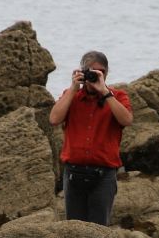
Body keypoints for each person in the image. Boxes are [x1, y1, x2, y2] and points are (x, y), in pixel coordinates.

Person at [48, 51, 133, 225]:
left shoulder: (117, 97)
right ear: (82, 72)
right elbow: (54, 119)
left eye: (99, 71)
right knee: (74, 229)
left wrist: (105, 92)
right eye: (90, 71)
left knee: (99, 230)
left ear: (106, 73)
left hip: (104, 176)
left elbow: (126, 120)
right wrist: (73, 89)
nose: (94, 75)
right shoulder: (72, 96)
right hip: (74, 174)